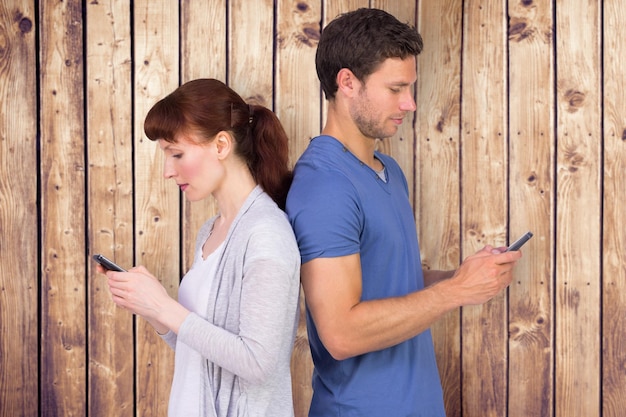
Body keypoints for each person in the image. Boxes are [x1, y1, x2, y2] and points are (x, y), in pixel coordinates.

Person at [286, 8, 523, 416]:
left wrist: (462, 277)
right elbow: (340, 332)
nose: (410, 103)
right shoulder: (325, 185)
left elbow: (389, 281)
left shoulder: (387, 170)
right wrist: (456, 292)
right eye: (396, 88)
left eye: (409, 88)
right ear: (347, 83)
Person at [96, 78, 301, 417]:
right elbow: (198, 348)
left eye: (176, 154)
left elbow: (258, 362)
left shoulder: (266, 234)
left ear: (221, 145)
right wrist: (150, 307)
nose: (167, 171)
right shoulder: (210, 231)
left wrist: (164, 307)